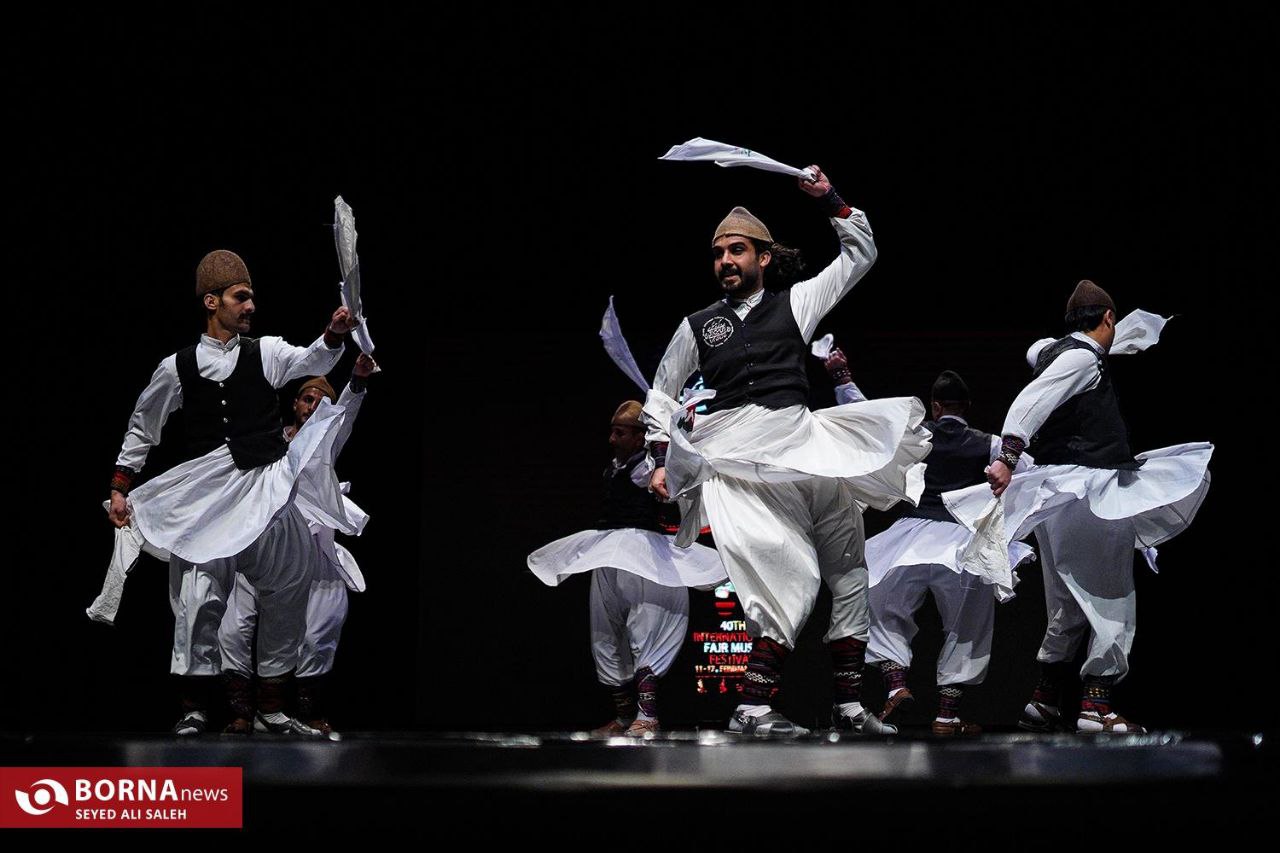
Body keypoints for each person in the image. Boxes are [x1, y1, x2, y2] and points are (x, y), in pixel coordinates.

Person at [643, 167, 928, 738]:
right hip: (745, 462)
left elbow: (860, 255)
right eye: (719, 252)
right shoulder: (698, 325)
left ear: (764, 257)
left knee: (850, 572)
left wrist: (831, 199)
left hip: (807, 446)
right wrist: (657, 459)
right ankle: (752, 706)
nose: (725, 260)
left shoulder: (797, 303)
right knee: (788, 579)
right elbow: (661, 392)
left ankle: (850, 704)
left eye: (737, 250)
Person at [107, 249, 360, 735]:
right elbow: (144, 427)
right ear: (211, 302)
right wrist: (122, 485)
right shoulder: (176, 367)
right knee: (199, 596)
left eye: (251, 298)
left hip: (262, 485)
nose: (250, 307)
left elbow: (310, 360)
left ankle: (272, 704)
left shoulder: (263, 352)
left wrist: (333, 335)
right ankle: (196, 708)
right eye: (240, 298)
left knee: (290, 576)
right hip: (207, 496)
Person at [953, 280, 1212, 733]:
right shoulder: (1080, 358)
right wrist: (1007, 458)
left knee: (1067, 605)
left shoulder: (1058, 351)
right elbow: (1030, 402)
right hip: (1089, 492)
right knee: (1111, 596)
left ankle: (1044, 699)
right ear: (1107, 319)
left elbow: (1046, 354)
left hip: (1062, 494)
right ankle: (1096, 706)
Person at [528, 402, 726, 736]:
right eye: (612, 431)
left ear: (639, 436)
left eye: (619, 432)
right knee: (606, 631)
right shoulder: (616, 466)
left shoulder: (645, 465)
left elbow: (662, 474)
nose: (611, 438)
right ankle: (622, 716)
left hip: (642, 554)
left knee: (644, 629)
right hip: (607, 551)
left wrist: (666, 445)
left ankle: (647, 716)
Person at [859, 369, 1035, 734]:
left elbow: (868, 421)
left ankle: (895, 684)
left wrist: (843, 378)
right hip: (960, 543)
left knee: (881, 605)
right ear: (966, 407)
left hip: (907, 541)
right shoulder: (989, 442)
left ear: (935, 407)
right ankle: (946, 716)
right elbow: (1029, 473)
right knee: (967, 625)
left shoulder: (916, 437)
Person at [219, 354, 377, 735]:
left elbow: (346, 415)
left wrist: (357, 381)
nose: (314, 407)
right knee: (232, 628)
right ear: (295, 403)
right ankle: (242, 713)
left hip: (311, 546)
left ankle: (306, 712)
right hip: (260, 544)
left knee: (320, 626)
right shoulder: (269, 440)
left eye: (322, 403)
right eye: (308, 399)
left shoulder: (324, 441)